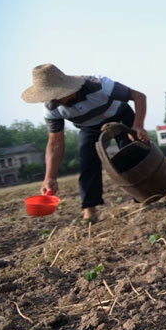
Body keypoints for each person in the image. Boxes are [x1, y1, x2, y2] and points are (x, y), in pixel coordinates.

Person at [21, 63, 149, 223]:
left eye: (56, 95)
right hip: (89, 127)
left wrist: (138, 126)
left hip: (119, 115)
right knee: (87, 160)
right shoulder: (51, 106)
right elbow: (55, 143)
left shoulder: (98, 85)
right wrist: (50, 177)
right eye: (49, 96)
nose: (54, 100)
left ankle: (143, 199)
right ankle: (90, 210)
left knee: (129, 153)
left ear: (66, 88)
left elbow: (139, 97)